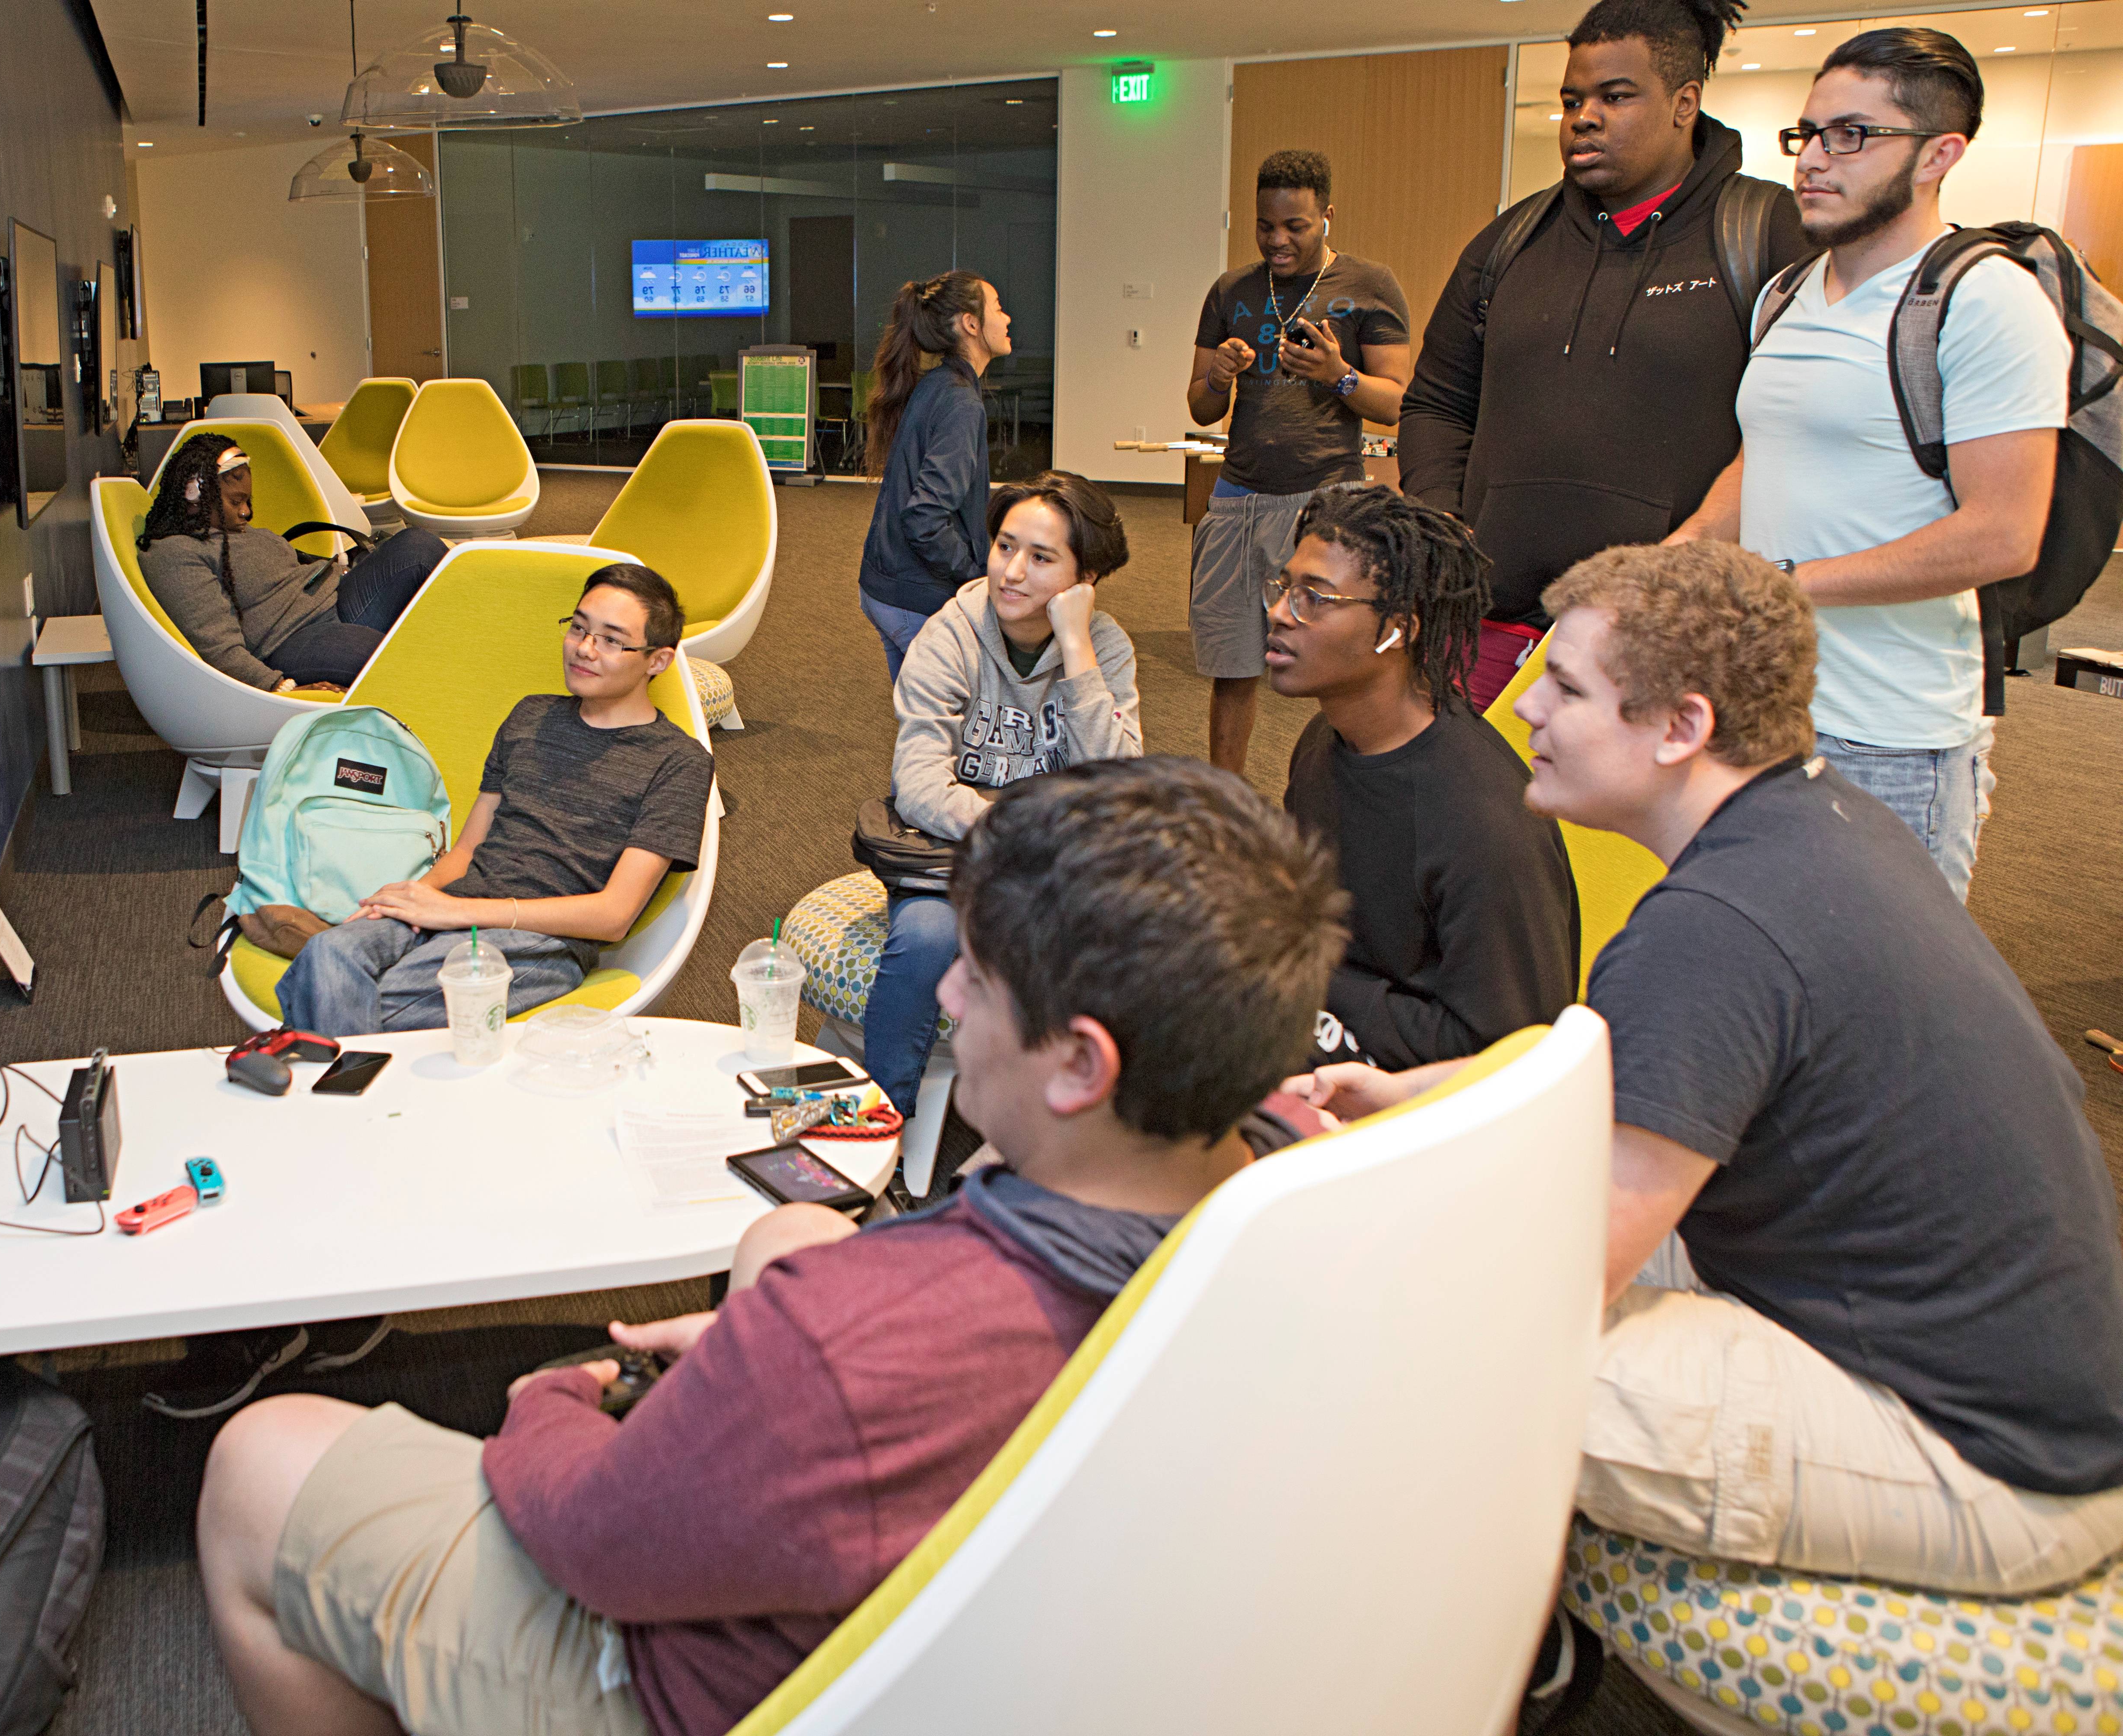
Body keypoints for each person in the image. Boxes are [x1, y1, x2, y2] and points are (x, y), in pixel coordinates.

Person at [196, 756, 1348, 1736]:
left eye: (980, 978)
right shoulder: (1309, 1166)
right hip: (1015, 1630)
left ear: (1082, 1064)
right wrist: (768, 1341)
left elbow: (595, 1536)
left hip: (719, 1687)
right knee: (788, 1230)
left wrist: (563, 1389)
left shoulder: (861, 1337)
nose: (946, 989)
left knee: (258, 1461)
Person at [1300, 541, 2123, 1598]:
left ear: (1683, 728)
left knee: (1403, 1339)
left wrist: (1340, 1204)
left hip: (1990, 1463)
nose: (1524, 706)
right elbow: (1616, 1068)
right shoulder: (1812, 826)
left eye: (1566, 685)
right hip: (2012, 1380)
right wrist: (1419, 1096)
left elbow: (1553, 1275)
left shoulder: (1715, 928)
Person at [1667, 29, 2064, 900]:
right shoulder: (1788, 293)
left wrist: (1785, 584)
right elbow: (1764, 455)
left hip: (1891, 735)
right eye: (1807, 134)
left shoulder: (1985, 299)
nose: (1813, 159)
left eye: (1851, 135)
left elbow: (2004, 533)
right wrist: (1690, 549)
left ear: (1940, 154)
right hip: (1761, 710)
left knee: (1880, 1006)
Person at [1398, 0, 1807, 707]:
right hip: (1491, 622)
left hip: (1668, 639)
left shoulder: (1767, 234)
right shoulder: (1510, 242)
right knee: (1480, 815)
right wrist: (1449, 528)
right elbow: (1437, 401)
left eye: (1615, 97)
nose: (1584, 117)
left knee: (1631, 822)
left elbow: (1804, 430)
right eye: (1572, 99)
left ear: (1685, 104)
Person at [274, 564, 713, 1037]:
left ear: (658, 661)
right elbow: (466, 852)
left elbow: (614, 916)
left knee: (359, 999)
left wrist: (460, 912)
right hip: (454, 910)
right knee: (326, 954)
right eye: (579, 628)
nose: (584, 648)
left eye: (611, 640)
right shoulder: (530, 716)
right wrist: (415, 897)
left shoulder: (680, 762)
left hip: (542, 941)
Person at [864, 470, 1142, 1129]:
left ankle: (1056, 1139)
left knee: (1118, 952)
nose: (1012, 572)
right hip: (959, 860)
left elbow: (1119, 785)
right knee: (925, 939)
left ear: (1086, 578)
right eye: (1004, 547)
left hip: (1056, 873)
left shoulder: (1105, 647)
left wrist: (1076, 649)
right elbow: (921, 783)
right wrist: (1022, 828)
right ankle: (878, 1135)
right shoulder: (951, 633)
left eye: (1042, 558)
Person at [1267, 485, 1578, 1070]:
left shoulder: (1482, 821)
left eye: (1315, 598)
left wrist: (1303, 978)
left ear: (1398, 630)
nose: (1282, 613)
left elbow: (1511, 1053)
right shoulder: (1321, 744)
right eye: (1285, 589)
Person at [1187, 149, 1412, 774]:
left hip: (1323, 504)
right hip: (1237, 499)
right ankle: (1226, 800)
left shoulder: (1369, 286)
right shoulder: (1231, 290)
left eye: (1296, 227)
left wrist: (1339, 376)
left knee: (1332, 667)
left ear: (1328, 216)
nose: (1278, 240)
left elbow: (1395, 403)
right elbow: (1202, 407)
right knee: (1231, 669)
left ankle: (1342, 791)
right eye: (1266, 226)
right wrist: (1221, 376)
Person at [139, 432, 449, 692]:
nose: (247, 512)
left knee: (418, 546)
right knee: (394, 658)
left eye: (247, 501)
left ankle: (472, 649)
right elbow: (218, 646)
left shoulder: (234, 531)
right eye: (236, 502)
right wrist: (278, 686)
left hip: (335, 599)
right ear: (194, 497)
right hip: (290, 639)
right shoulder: (176, 555)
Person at [857, 271, 1010, 679]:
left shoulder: (938, 383)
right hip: (912, 597)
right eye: (998, 308)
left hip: (885, 585)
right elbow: (924, 516)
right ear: (971, 323)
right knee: (955, 733)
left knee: (919, 730)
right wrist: (978, 578)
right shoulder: (960, 401)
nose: (1008, 318)